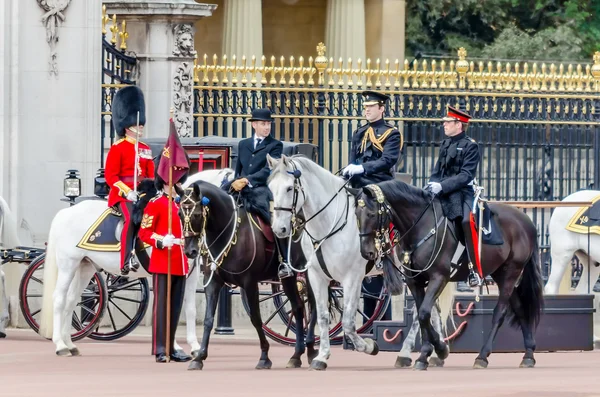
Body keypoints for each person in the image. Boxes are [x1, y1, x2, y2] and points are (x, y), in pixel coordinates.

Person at [343, 90, 403, 322]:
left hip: (379, 185)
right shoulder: (359, 132)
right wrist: (351, 169)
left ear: (381, 109)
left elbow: (388, 161)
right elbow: (353, 159)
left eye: (371, 107)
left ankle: (381, 252)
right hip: (358, 185)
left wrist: (363, 169)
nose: (366, 110)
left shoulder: (391, 133)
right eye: (365, 107)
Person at [223, 108, 294, 279]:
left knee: (273, 218)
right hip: (241, 186)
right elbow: (238, 168)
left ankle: (284, 259)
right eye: (263, 124)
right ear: (254, 125)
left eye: (268, 124)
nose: (267, 127)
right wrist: (235, 182)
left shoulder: (275, 145)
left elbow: (269, 170)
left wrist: (247, 180)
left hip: (262, 188)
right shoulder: (243, 144)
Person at [138, 170, 192, 363]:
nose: (177, 184)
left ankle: (171, 346)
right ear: (164, 183)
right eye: (173, 181)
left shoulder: (184, 204)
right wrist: (161, 241)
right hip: (164, 260)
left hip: (181, 260)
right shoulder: (155, 204)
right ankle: (160, 348)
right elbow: (144, 232)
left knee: (175, 308)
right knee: (161, 308)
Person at [427, 105, 483, 288]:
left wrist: (442, 186)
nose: (444, 124)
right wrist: (432, 184)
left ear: (459, 124)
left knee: (467, 222)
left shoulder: (471, 145)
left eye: (448, 121)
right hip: (443, 190)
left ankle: (474, 269)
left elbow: (466, 175)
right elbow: (437, 170)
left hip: (462, 192)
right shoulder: (445, 143)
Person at [105, 86, 155, 275]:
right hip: (123, 195)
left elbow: (150, 175)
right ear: (127, 125)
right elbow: (111, 176)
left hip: (142, 193)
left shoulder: (145, 148)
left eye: (141, 122)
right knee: (131, 219)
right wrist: (127, 192)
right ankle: (126, 259)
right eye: (137, 122)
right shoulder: (118, 147)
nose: (140, 125)